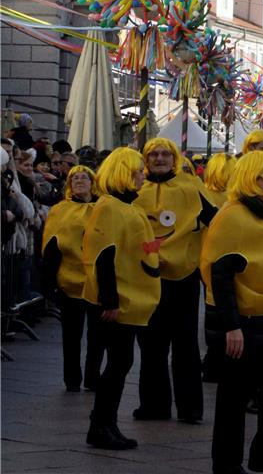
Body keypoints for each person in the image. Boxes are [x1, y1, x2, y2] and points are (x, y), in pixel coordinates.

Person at [200, 151, 263, 474]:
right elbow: (219, 274)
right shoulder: (231, 216)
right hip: (242, 320)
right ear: (250, 178)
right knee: (234, 397)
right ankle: (227, 463)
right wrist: (231, 326)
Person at [132, 138, 217, 423]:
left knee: (186, 345)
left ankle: (190, 409)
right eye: (153, 154)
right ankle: (154, 405)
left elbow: (215, 219)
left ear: (175, 157)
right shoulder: (137, 191)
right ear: (145, 159)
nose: (159, 158)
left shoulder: (191, 187)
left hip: (183, 277)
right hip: (147, 277)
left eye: (165, 154)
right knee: (151, 345)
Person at [82, 147, 161, 450]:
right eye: (138, 170)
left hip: (132, 298)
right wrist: (109, 301)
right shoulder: (109, 206)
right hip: (116, 302)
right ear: (124, 173)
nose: (143, 175)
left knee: (121, 362)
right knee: (117, 363)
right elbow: (103, 256)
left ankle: (106, 423)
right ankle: (101, 425)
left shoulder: (130, 206)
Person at [41, 165, 104, 392]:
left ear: (92, 182)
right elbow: (50, 246)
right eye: (75, 178)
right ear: (69, 184)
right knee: (71, 335)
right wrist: (49, 284)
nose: (79, 181)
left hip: (97, 280)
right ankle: (72, 379)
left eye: (84, 177)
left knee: (97, 334)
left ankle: (92, 376)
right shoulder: (60, 210)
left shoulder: (103, 208)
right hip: (69, 279)